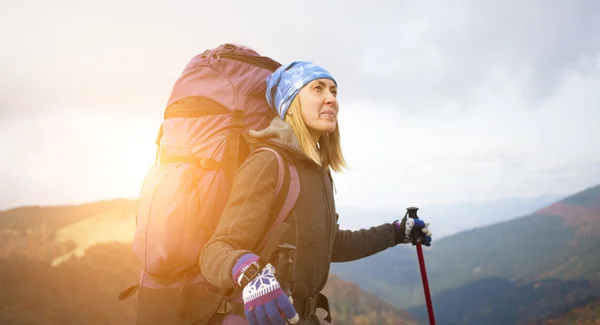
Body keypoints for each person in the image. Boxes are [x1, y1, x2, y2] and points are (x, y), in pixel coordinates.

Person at [199, 61, 433, 325]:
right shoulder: (267, 163)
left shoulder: (318, 171)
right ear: (291, 102)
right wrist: (252, 274)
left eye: (334, 91)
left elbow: (330, 245)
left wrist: (396, 232)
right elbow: (215, 251)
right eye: (318, 89)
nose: (331, 99)